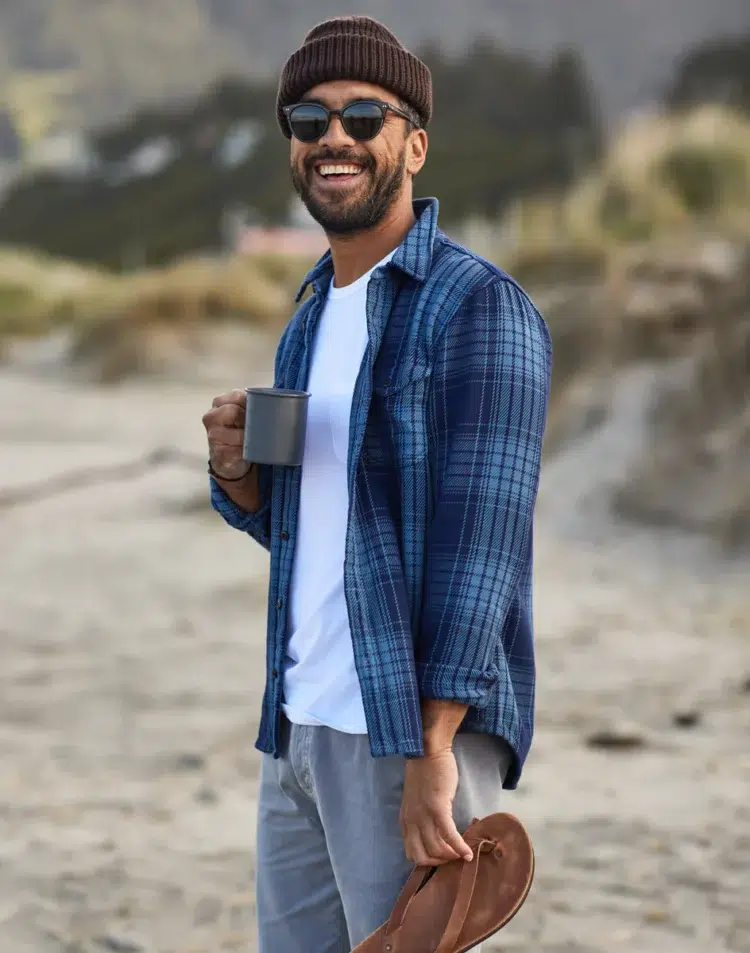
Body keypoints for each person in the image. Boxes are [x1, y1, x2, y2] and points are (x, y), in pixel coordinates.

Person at [202, 15, 552, 953]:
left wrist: (435, 748)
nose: (335, 139)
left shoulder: (480, 308)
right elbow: (312, 529)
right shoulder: (313, 309)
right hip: (300, 727)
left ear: (415, 144)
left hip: (401, 733)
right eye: (309, 119)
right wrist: (237, 477)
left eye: (365, 115)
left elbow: (482, 551)